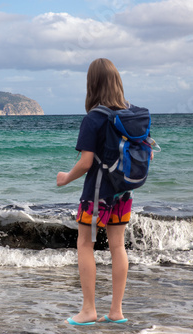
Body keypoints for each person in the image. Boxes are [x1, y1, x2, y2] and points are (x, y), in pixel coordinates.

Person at [57, 58, 134, 326]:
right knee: (117, 247)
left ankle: (88, 310)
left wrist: (66, 178)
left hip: (95, 195)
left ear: (92, 84)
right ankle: (116, 311)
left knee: (85, 245)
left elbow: (86, 162)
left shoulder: (93, 118)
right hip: (123, 193)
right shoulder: (130, 114)